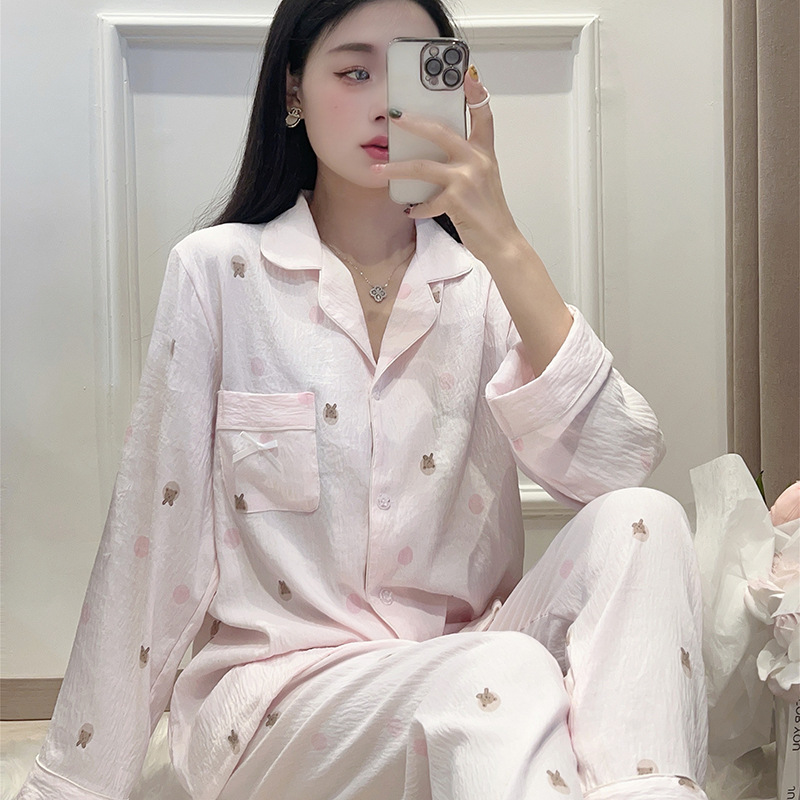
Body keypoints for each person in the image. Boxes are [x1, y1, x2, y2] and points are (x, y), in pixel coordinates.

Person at [15, 0, 710, 798]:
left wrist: (501, 238)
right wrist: (74, 783)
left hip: (468, 674)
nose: (387, 104)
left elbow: (618, 467)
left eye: (415, 74)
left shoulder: (482, 287)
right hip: (281, 703)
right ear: (293, 90)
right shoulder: (219, 272)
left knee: (646, 519)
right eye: (353, 72)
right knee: (509, 674)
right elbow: (153, 534)